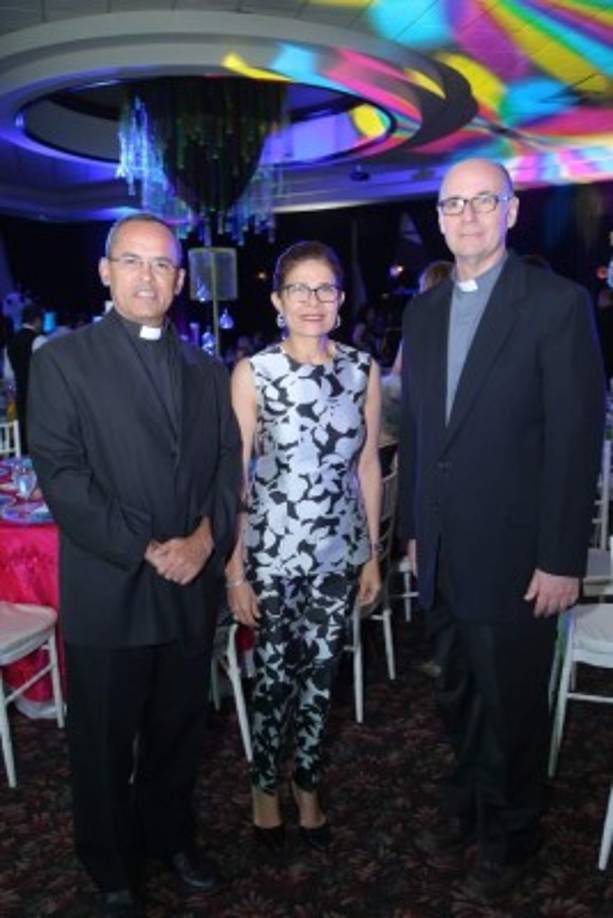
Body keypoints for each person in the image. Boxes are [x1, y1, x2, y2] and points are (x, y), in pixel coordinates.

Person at [398, 158, 604, 900]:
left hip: (518, 554)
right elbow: (420, 434)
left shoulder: (554, 303)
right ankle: (465, 805)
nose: (468, 216)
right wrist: (414, 533)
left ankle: (513, 841)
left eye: (483, 201)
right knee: (455, 694)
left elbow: (574, 442)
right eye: (453, 204)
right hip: (442, 548)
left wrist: (559, 558)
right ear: (439, 215)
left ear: (510, 212)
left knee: (510, 703)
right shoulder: (420, 311)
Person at [28, 213, 241, 918]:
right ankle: (111, 866)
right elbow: (61, 475)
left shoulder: (206, 369)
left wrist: (206, 542)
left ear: (180, 279)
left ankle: (169, 838)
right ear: (105, 270)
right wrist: (152, 549)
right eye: (133, 261)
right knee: (103, 741)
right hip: (113, 586)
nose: (148, 277)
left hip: (188, 590)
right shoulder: (60, 360)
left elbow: (225, 467)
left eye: (161, 265)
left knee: (180, 731)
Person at [226, 240, 382, 854]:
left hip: (337, 554)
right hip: (268, 554)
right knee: (272, 678)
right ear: (277, 301)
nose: (312, 301)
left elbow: (367, 465)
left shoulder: (362, 369)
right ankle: (265, 786)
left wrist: (370, 551)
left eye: (325, 289)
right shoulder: (254, 373)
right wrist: (235, 570)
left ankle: (308, 784)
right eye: (299, 289)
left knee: (321, 676)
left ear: (340, 301)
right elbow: (235, 473)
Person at [7, 302, 44, 451]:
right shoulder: (39, 340)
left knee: (23, 434)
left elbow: (9, 374)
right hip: (39, 396)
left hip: (21, 395)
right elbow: (46, 373)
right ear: (37, 320)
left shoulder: (11, 342)